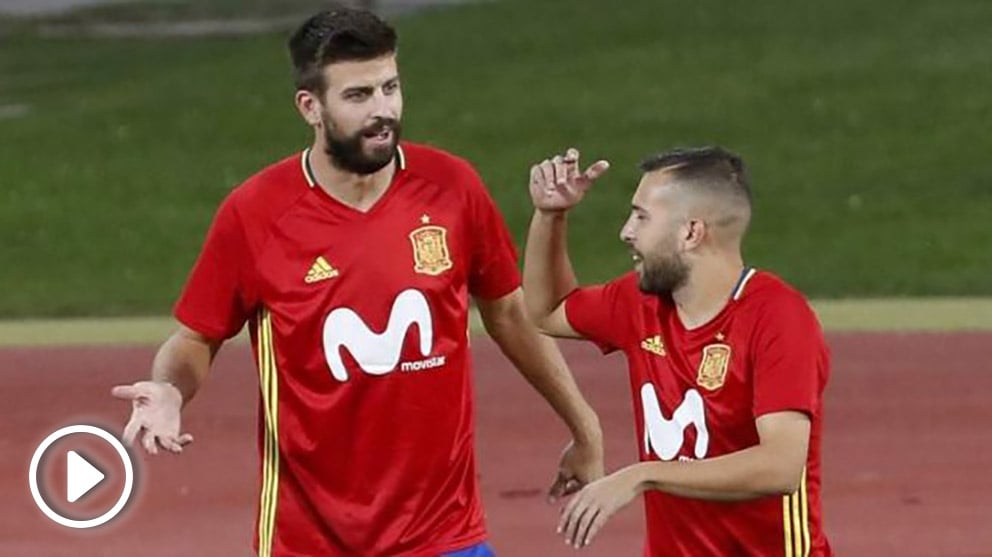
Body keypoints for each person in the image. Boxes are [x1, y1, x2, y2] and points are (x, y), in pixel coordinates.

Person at [111, 9, 604, 557]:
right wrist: (171, 391)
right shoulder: (257, 214)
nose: (383, 111)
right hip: (308, 542)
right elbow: (195, 338)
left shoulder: (453, 188)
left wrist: (585, 429)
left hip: (446, 534)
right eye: (358, 96)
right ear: (310, 107)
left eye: (390, 88)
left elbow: (509, 314)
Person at [522, 146, 832, 556]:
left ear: (691, 232)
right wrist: (550, 216)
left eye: (642, 216)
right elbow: (547, 312)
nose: (626, 231)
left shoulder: (778, 319)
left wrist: (642, 475)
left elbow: (780, 465)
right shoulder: (639, 304)